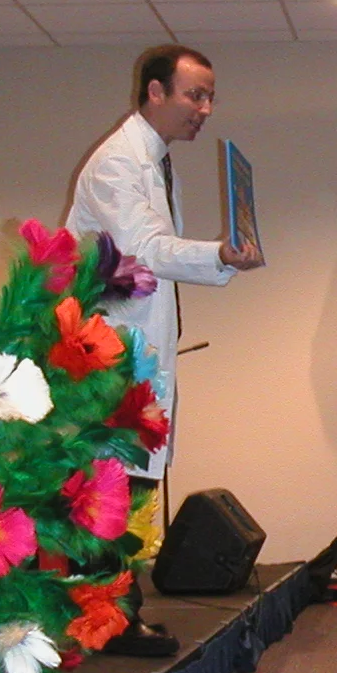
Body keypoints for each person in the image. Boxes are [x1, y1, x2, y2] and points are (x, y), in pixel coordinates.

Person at [66, 44, 264, 489]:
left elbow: (156, 251)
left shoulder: (154, 161)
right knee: (105, 509)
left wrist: (220, 256)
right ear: (155, 91)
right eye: (195, 96)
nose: (206, 109)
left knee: (132, 500)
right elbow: (147, 250)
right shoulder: (118, 162)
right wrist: (218, 255)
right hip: (109, 364)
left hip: (135, 361)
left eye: (210, 98)